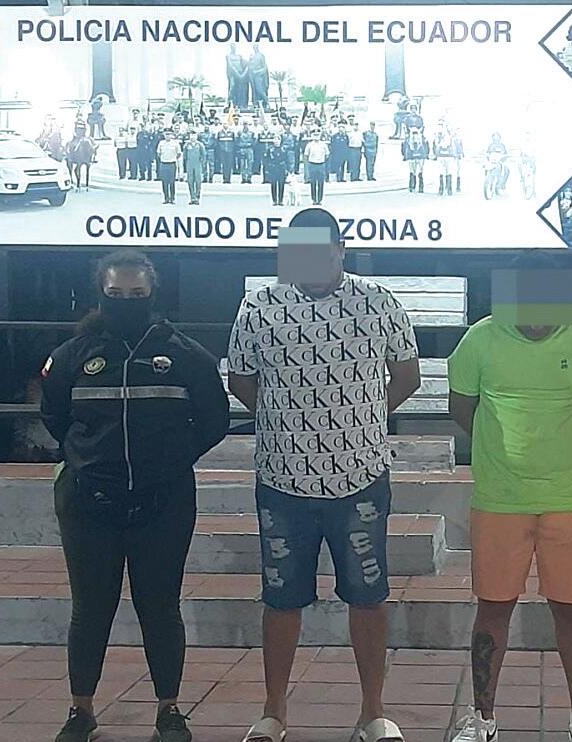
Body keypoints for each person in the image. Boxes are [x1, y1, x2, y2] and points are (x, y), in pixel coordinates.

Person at [228, 208, 422, 742]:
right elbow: (241, 379)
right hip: (282, 482)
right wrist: (288, 422)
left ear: (341, 249)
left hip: (360, 480)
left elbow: (406, 374)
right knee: (280, 599)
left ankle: (373, 713)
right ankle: (273, 712)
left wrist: (360, 420)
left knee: (368, 596)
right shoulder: (259, 306)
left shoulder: (378, 301)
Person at [40, 250, 230, 742]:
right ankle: (81, 712)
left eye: (137, 294)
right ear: (100, 294)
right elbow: (55, 417)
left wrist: (169, 462)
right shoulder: (71, 357)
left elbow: (214, 421)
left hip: (164, 503)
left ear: (153, 294)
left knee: (160, 607)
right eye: (116, 294)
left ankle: (169, 711)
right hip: (87, 502)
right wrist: (89, 461)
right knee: (90, 609)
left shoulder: (187, 355)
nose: (126, 301)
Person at [446, 254, 572, 742]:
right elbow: (462, 408)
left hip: (569, 498)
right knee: (493, 608)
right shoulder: (480, 337)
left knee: (571, 610)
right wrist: (504, 453)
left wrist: (566, 449)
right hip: (500, 499)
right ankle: (482, 719)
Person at [302, 128, 329, 205]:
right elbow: (306, 155)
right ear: (312, 136)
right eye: (314, 135)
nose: (316, 136)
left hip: (321, 165)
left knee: (321, 183)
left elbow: (327, 155)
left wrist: (322, 161)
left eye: (317, 135)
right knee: (313, 183)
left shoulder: (323, 145)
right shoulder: (309, 145)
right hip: (312, 165)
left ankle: (319, 200)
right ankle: (314, 199)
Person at [66, 126, 96, 192]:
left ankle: (91, 158)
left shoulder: (88, 139)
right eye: (79, 129)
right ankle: (71, 157)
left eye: (82, 129)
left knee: (90, 144)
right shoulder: (75, 137)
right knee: (73, 146)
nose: (81, 130)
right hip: (77, 140)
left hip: (84, 143)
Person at [156, 128, 182, 205]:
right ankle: (166, 198)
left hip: (171, 164)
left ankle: (172, 198)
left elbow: (179, 153)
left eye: (169, 134)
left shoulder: (175, 143)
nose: (167, 136)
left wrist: (173, 158)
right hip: (163, 164)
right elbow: (158, 153)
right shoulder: (161, 143)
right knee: (164, 182)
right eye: (166, 134)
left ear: (171, 135)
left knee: (172, 182)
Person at [263, 133, 288, 206]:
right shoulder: (270, 149)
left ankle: (280, 200)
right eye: (275, 139)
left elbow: (287, 159)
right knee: (273, 184)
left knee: (281, 184)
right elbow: (266, 160)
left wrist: (287, 169)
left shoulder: (284, 149)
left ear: (280, 141)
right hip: (273, 168)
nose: (276, 141)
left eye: (278, 139)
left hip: (281, 168)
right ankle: (274, 200)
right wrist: (267, 169)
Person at [402, 126, 429, 193]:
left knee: (425, 141)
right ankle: (412, 185)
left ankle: (420, 187)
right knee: (405, 142)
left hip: (420, 156)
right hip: (411, 156)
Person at [182, 132, 206, 205]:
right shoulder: (186, 145)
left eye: (194, 136)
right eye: (191, 136)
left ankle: (197, 197)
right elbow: (184, 156)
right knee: (190, 181)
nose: (192, 137)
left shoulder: (200, 145)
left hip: (197, 164)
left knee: (198, 181)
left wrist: (202, 164)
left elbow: (203, 155)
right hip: (189, 164)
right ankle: (192, 197)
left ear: (196, 136)